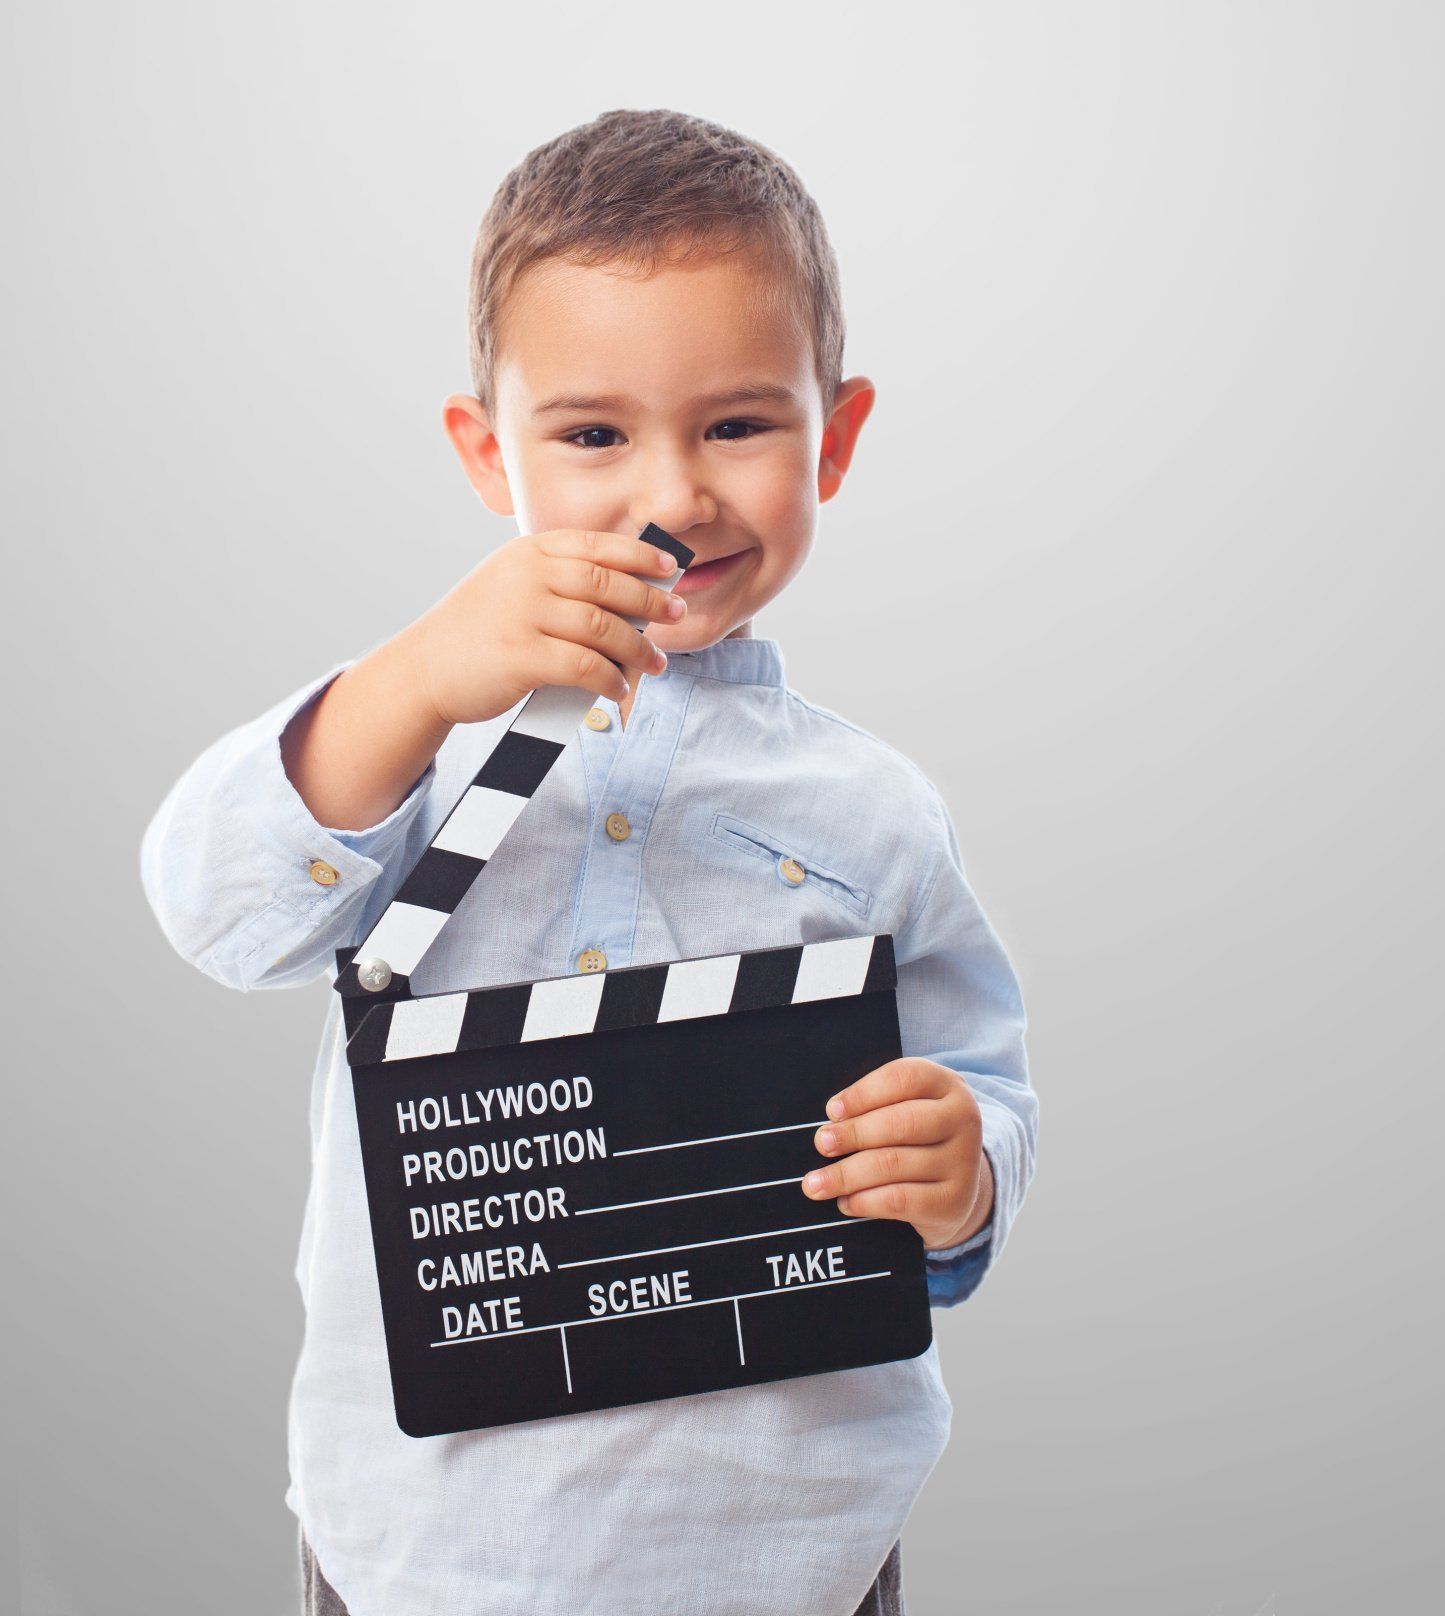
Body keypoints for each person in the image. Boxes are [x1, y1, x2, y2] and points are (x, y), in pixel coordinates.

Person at [138, 108, 1036, 1616]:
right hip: (426, 1547)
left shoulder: (875, 806)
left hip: (790, 1552)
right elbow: (213, 906)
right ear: (490, 454)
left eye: (739, 426)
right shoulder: (415, 741)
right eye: (594, 434)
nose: (673, 497)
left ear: (841, 432)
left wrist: (966, 1177)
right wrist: (414, 678)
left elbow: (980, 1091)